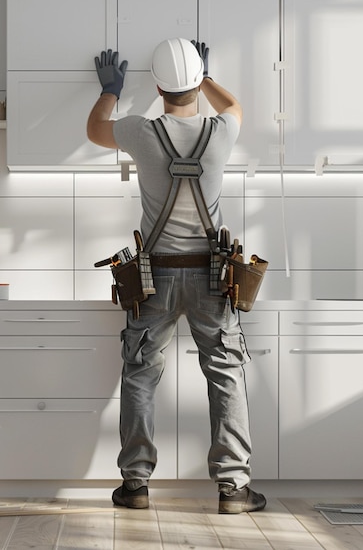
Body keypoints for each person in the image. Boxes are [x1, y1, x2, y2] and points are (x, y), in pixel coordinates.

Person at [86, 38, 266, 515]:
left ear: (159, 86)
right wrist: (205, 74)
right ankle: (233, 489)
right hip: (213, 277)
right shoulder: (222, 131)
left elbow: (94, 129)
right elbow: (237, 106)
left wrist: (111, 89)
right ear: (196, 84)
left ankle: (136, 485)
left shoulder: (138, 131)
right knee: (225, 375)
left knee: (141, 375)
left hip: (154, 278)